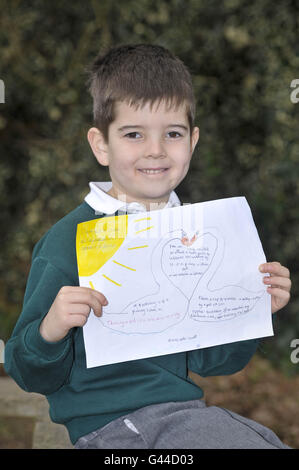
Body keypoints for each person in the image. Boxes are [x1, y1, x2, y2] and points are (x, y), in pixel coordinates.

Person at [4, 44, 292, 449]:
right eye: (134, 134)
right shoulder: (68, 241)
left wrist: (252, 307)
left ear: (191, 142)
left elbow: (212, 362)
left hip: (181, 415)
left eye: (172, 134)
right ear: (101, 144)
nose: (156, 149)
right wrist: (51, 330)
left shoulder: (196, 232)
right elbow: (26, 370)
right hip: (113, 430)